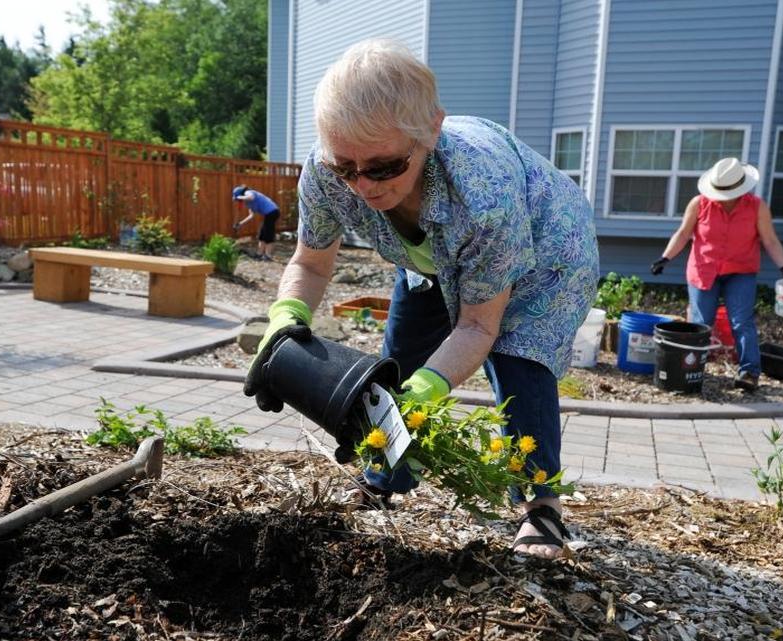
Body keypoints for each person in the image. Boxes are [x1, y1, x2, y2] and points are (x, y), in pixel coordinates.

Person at [242, 39, 599, 560]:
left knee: (518, 363)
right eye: (347, 168)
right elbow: (311, 263)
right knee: (400, 357)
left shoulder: (483, 197)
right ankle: (385, 475)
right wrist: (283, 320)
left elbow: (478, 327)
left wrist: (426, 394)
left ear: (430, 130)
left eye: (383, 167)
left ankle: (540, 510)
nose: (363, 186)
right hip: (434, 256)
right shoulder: (326, 173)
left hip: (545, 254)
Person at [650, 157, 783, 392]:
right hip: (704, 270)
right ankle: (690, 372)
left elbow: (769, 240)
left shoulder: (756, 207)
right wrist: (665, 258)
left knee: (742, 322)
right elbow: (683, 234)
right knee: (700, 324)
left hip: (740, 272)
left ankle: (749, 372)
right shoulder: (699, 204)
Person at [232, 185, 281, 261]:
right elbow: (251, 216)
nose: (239, 201)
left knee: (268, 234)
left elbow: (251, 197)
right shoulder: (248, 203)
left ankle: (268, 256)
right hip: (268, 215)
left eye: (238, 199)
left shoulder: (248, 192)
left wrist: (239, 197)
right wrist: (240, 224)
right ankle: (259, 254)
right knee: (262, 234)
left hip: (273, 212)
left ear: (241, 194)